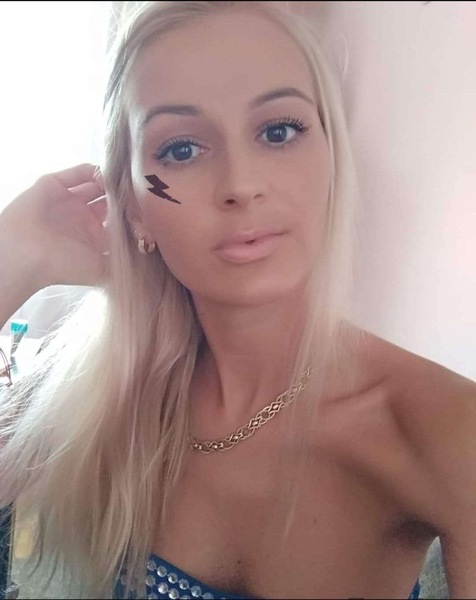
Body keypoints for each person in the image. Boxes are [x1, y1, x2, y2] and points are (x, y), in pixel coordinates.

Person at [0, 1, 475, 599]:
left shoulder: (448, 430)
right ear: (134, 207)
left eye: (279, 132)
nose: (241, 185)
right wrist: (11, 261)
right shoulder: (89, 399)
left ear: (332, 161)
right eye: (181, 150)